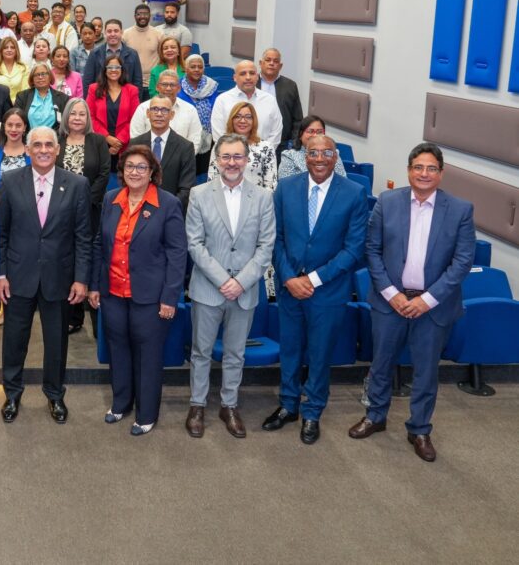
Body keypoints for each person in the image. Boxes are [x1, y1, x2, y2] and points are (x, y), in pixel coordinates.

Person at [348, 143, 476, 462]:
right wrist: (392, 294)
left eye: (431, 168)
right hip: (389, 302)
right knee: (381, 364)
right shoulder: (387, 202)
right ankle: (375, 416)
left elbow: (462, 262)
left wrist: (426, 300)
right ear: (408, 170)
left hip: (433, 307)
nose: (424, 174)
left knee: (426, 372)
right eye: (418, 167)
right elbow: (372, 250)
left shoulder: (460, 210)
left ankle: (419, 429)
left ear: (441, 174)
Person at [264, 135, 368, 444]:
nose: (319, 158)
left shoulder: (353, 193)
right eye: (313, 152)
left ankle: (312, 411)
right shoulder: (286, 188)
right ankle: (288, 404)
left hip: (328, 291)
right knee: (290, 349)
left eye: (326, 153)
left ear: (335, 157)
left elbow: (353, 249)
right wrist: (288, 277)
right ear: (304, 156)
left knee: (320, 354)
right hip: (289, 287)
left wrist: (313, 279)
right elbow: (276, 238)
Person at [90, 146, 187, 434]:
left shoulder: (167, 204)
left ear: (152, 172)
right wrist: (95, 285)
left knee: (148, 355)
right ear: (121, 171)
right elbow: (99, 244)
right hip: (113, 293)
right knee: (118, 350)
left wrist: (170, 297)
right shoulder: (111, 199)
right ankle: (121, 403)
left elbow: (177, 253)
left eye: (141, 167)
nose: (135, 172)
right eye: (129, 166)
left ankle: (146, 414)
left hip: (150, 297)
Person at [184, 134, 276, 438]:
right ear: (217, 159)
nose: (232, 162)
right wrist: (224, 281)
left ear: (247, 160)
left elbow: (266, 247)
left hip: (245, 291)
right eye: (226, 156)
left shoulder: (263, 197)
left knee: (236, 353)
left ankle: (229, 405)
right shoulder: (199, 194)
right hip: (208, 288)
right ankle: (197, 405)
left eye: (238, 156)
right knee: (201, 351)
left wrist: (241, 282)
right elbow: (195, 244)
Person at [0, 128, 91, 424]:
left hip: (59, 278)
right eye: (36, 145)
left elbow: (83, 237)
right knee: (14, 341)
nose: (43, 150)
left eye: (49, 145)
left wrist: (81, 278)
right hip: (17, 276)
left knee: (56, 343)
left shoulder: (77, 184)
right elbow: (1, 233)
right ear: (27, 150)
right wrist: (1, 274)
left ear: (58, 149)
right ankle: (12, 394)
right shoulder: (10, 181)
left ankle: (55, 394)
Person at [56, 98, 111, 335]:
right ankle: (73, 315)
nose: (77, 118)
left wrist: (84, 202)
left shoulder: (98, 141)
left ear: (88, 118)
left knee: (89, 257)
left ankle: (94, 311)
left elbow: (104, 173)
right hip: (59, 213)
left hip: (90, 210)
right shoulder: (57, 141)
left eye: (82, 114)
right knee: (67, 261)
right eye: (73, 113)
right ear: (66, 117)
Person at [129, 96, 196, 211]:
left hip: (171, 211)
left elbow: (186, 188)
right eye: (155, 109)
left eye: (164, 110)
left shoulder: (185, 147)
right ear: (148, 113)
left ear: (172, 115)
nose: (159, 114)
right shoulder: (135, 144)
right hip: (138, 210)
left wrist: (165, 210)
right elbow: (129, 179)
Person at [207, 102, 278, 192]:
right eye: (238, 116)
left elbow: (271, 184)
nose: (243, 121)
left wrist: (261, 200)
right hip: (224, 198)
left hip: (257, 199)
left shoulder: (266, 147)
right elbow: (212, 178)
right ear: (232, 120)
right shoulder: (220, 145)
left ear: (254, 121)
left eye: (248, 117)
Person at [210, 60, 282, 148]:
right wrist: (236, 153)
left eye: (252, 73)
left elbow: (276, 132)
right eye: (243, 74)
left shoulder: (270, 100)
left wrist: (262, 152)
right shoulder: (222, 100)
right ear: (235, 78)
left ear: (257, 77)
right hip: (230, 154)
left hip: (263, 154)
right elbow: (219, 135)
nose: (248, 77)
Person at [129, 69, 204, 154]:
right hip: (146, 159)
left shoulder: (190, 110)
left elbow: (195, 140)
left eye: (172, 85)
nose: (168, 88)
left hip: (181, 159)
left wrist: (183, 158)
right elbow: (136, 137)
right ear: (157, 87)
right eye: (164, 84)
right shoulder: (143, 108)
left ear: (179, 88)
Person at [87, 55, 140, 162]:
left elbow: (135, 119)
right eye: (110, 67)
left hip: (124, 144)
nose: (113, 70)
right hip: (99, 142)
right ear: (105, 70)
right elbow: (89, 116)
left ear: (122, 70)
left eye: (117, 67)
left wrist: (119, 142)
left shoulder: (132, 90)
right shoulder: (94, 89)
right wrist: (106, 137)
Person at [258, 48, 304, 157]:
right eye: (268, 60)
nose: (271, 63)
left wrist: (294, 142)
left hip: (282, 145)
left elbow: (297, 119)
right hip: (254, 141)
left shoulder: (290, 86)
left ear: (280, 66)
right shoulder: (251, 83)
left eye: (276, 61)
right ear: (261, 63)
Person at [81, 19, 144, 97]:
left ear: (121, 32)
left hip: (126, 100)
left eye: (116, 31)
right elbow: (87, 81)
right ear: (105, 33)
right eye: (109, 31)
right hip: (100, 98)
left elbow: (138, 82)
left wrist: (136, 102)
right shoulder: (95, 54)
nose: (112, 34)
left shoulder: (132, 54)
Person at [178, 54, 218, 174]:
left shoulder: (212, 86)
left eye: (200, 67)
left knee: (204, 170)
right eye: (193, 67)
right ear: (186, 69)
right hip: (185, 134)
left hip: (208, 135)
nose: (196, 69)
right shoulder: (178, 86)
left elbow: (215, 109)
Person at [278, 115, 347, 180]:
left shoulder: (332, 154)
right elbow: (285, 184)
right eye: (310, 131)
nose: (315, 135)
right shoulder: (289, 156)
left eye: (319, 132)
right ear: (300, 135)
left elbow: (342, 180)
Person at [0, 107, 30, 197]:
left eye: (18, 125)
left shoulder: (32, 153)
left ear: (24, 127)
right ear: (4, 127)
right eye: (9, 125)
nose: (13, 129)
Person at [15, 63, 68, 131]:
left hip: (54, 136)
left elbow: (65, 123)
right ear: (32, 79)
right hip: (28, 136)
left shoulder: (62, 98)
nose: (40, 77)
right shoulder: (22, 97)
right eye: (37, 75)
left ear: (50, 77)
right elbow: (16, 120)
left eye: (43, 74)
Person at [125, 4, 163, 87]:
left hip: (153, 82)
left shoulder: (158, 34)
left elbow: (163, 58)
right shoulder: (125, 35)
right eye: (139, 14)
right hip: (131, 81)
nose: (142, 16)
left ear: (150, 16)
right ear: (134, 16)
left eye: (145, 14)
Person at [0, 38, 29, 103]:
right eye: (5, 48)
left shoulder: (24, 68)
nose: (9, 50)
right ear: (1, 51)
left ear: (16, 51)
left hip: (18, 105)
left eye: (12, 47)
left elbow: (25, 90)